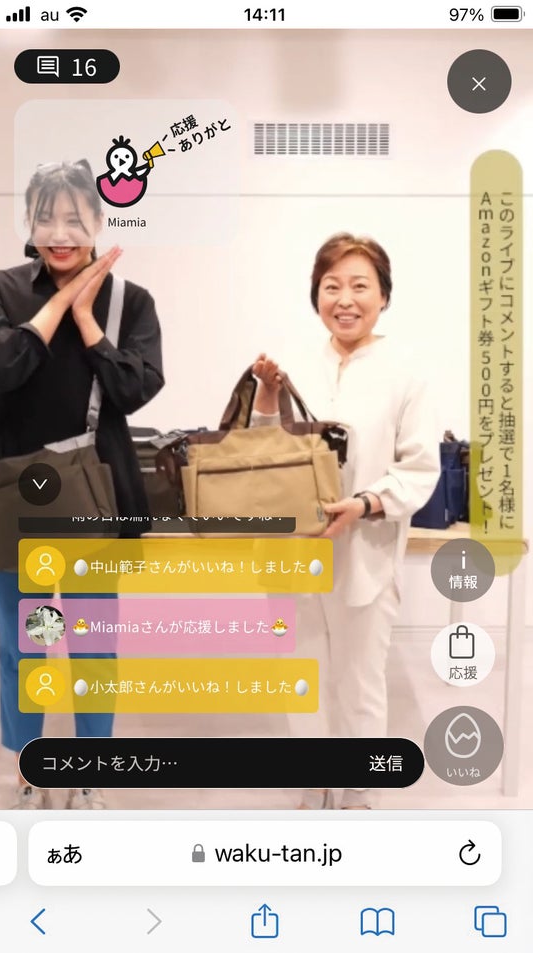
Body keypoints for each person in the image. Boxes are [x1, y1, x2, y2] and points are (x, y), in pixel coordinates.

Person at [252, 232, 440, 809]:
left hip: (365, 552)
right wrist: (266, 396)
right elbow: (263, 453)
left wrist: (364, 503)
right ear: (316, 295)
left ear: (383, 295)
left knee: (359, 682)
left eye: (360, 285)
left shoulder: (406, 371)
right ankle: (314, 783)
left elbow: (420, 466)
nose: (345, 299)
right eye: (332, 286)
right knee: (301, 676)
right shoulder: (294, 364)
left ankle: (358, 792)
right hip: (294, 552)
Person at [0, 160, 164, 809]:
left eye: (74, 217)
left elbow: (134, 389)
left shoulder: (130, 302)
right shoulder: (5, 290)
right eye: (46, 218)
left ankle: (93, 771)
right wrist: (58, 305)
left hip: (96, 501)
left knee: (93, 646)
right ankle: (32, 769)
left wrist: (89, 317)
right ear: (28, 222)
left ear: (98, 220)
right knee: (26, 645)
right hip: (14, 502)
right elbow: (4, 369)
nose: (60, 232)